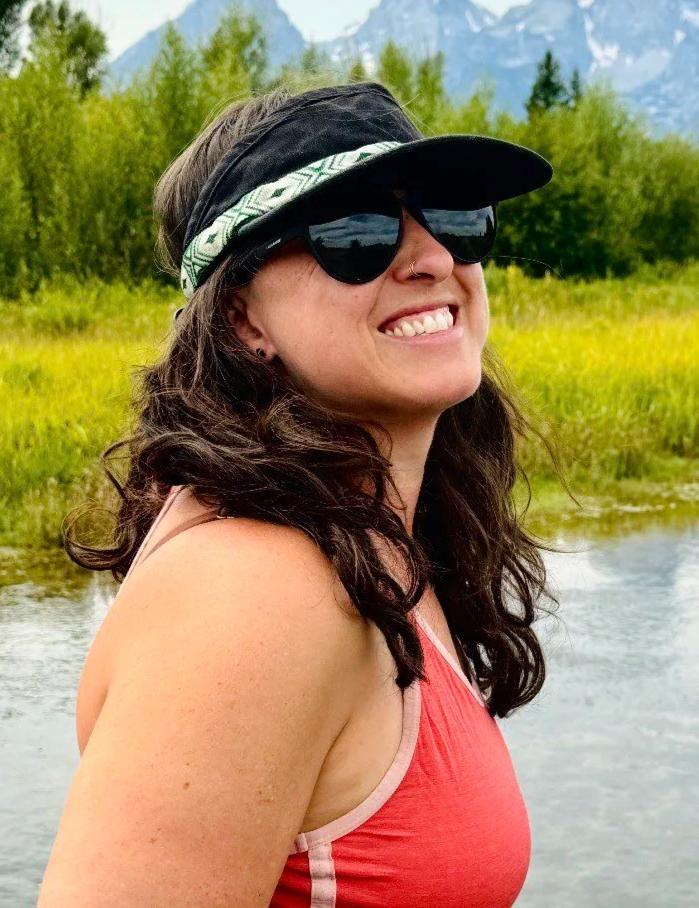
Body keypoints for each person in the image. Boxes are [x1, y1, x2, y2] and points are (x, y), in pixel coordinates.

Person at [39, 81, 569, 907]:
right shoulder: (250, 592)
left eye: (453, 214)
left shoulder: (377, 547)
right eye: (353, 232)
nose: (431, 255)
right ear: (243, 319)